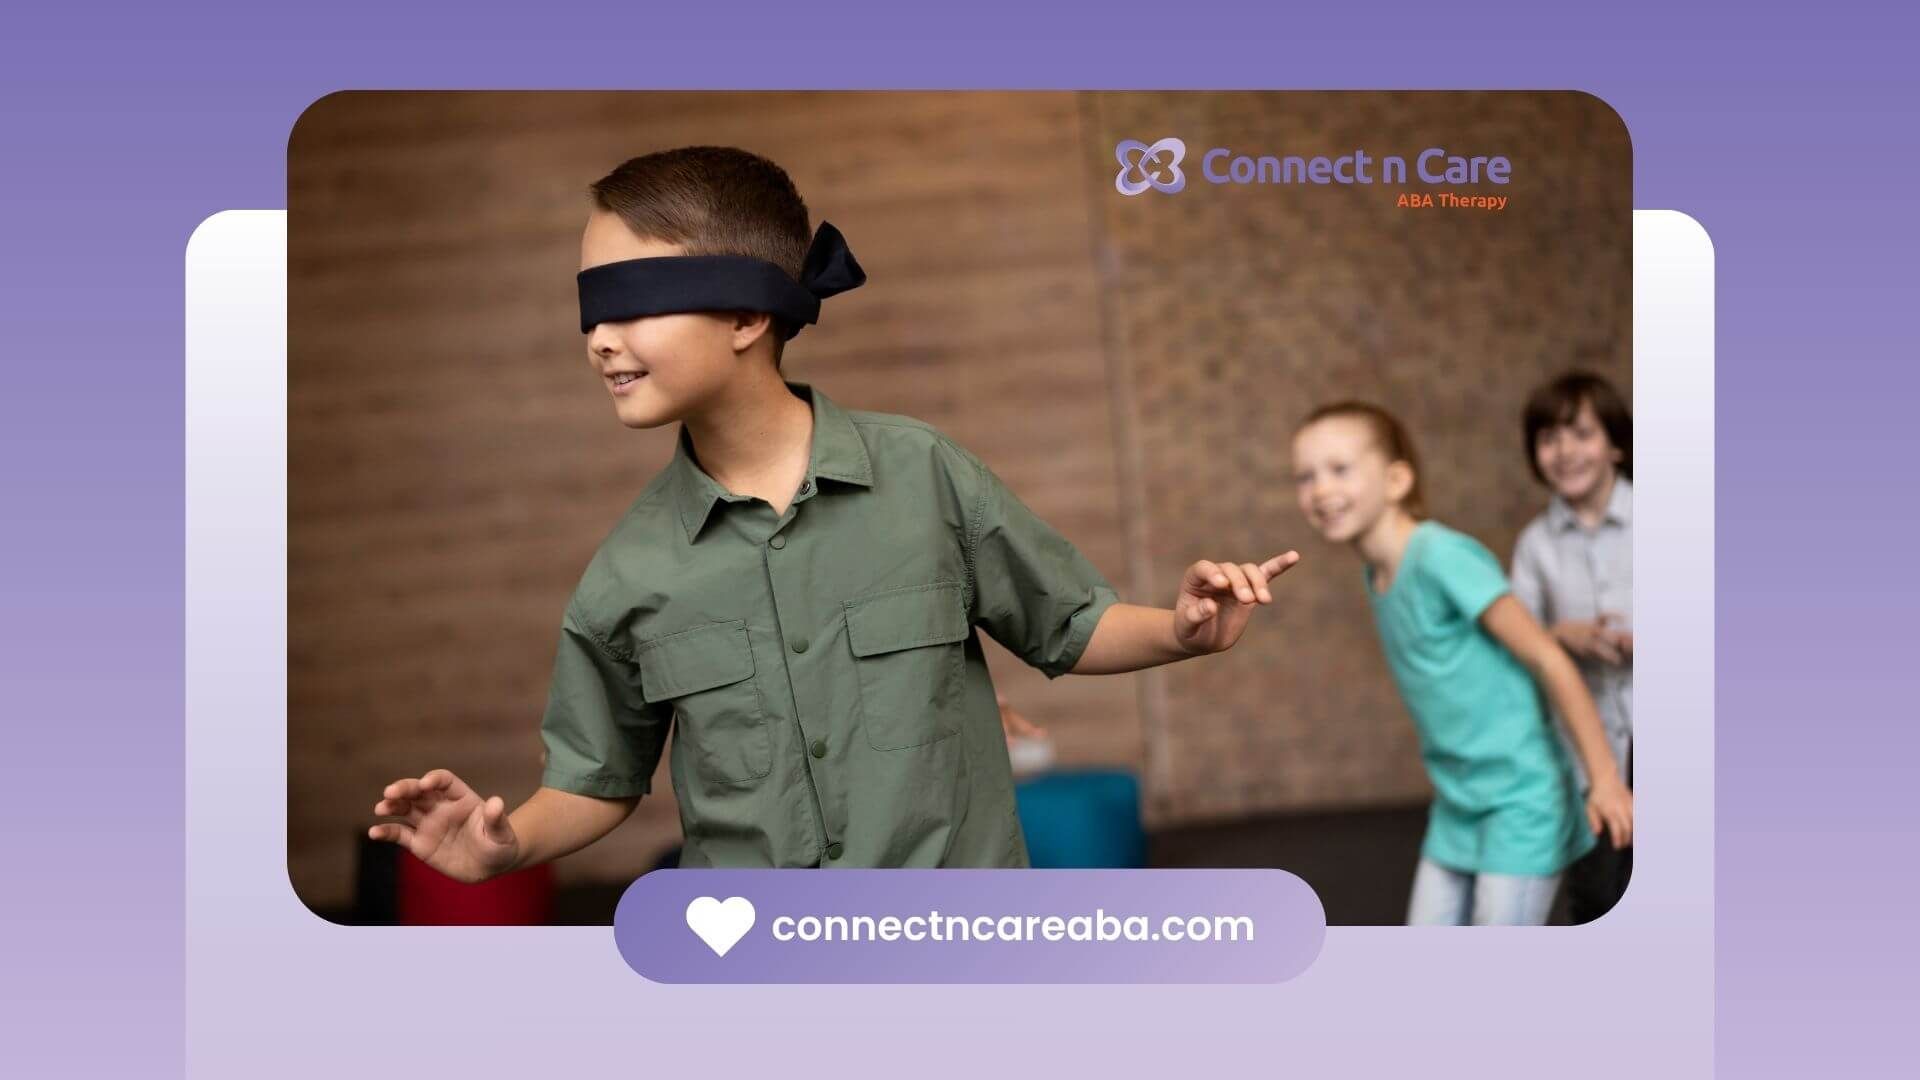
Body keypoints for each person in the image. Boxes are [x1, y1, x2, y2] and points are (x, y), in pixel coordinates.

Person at [368, 145, 1299, 876]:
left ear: (745, 315)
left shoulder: (922, 474)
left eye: (632, 303)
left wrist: (1182, 629)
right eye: (588, 310)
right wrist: (504, 845)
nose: (600, 339)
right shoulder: (627, 573)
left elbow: (1069, 624)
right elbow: (596, 779)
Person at [1289, 401, 1631, 925]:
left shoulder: (1440, 555)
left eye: (1339, 469)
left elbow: (1546, 655)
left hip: (1519, 800)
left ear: (1398, 478)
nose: (1320, 489)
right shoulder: (1377, 573)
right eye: (1304, 477)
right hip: (1457, 802)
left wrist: (1605, 778)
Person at [1511, 372, 1634, 923]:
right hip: (1586, 748)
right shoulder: (1535, 545)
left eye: (1580, 433)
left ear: (1616, 445)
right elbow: (1517, 641)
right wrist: (1563, 635)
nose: (1564, 451)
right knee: (1599, 893)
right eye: (1548, 438)